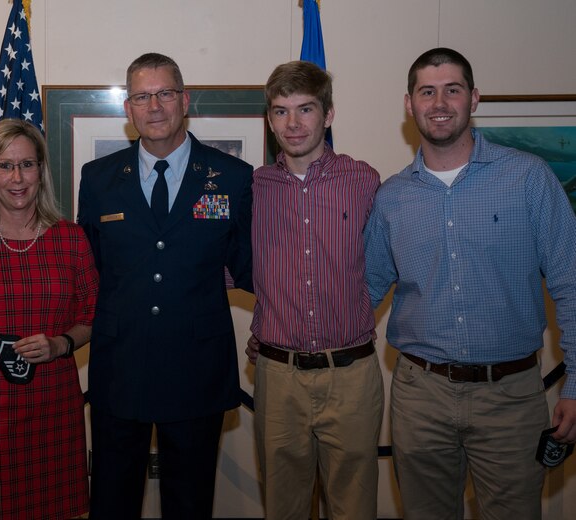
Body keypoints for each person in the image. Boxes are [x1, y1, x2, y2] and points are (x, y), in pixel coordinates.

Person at [364, 47, 576, 519]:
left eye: (453, 90)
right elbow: (364, 291)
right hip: (421, 396)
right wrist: (289, 332)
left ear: (474, 98)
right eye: (427, 91)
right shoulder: (392, 197)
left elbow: (571, 283)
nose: (439, 102)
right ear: (409, 104)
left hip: (512, 397)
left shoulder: (528, 179)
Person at [78, 52, 253, 519]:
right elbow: (87, 270)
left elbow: (254, 268)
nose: (154, 106)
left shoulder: (233, 177)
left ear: (184, 100)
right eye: (142, 96)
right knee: (112, 503)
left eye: (165, 93)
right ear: (128, 109)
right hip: (120, 368)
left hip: (197, 369)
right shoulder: (97, 179)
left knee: (190, 504)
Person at [0, 118, 98, 519]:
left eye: (27, 164)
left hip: (53, 406)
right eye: (4, 166)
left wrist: (61, 343)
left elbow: (93, 317)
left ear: (41, 171)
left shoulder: (71, 238)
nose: (17, 177)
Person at [244, 61, 382, 520]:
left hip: (352, 375)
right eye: (281, 111)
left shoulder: (364, 181)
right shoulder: (254, 189)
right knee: (283, 506)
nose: (293, 123)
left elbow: (382, 265)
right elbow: (225, 267)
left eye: (305, 109)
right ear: (269, 120)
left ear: (328, 114)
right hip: (279, 374)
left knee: (354, 506)